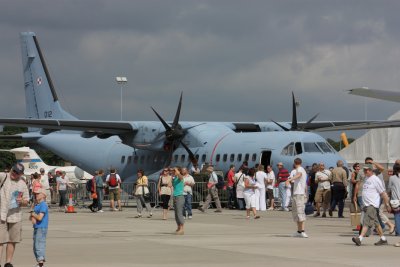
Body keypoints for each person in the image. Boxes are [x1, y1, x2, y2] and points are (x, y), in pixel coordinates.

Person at [352, 164, 392, 246]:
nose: (366, 171)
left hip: (372, 205)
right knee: (376, 224)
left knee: (366, 222)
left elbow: (383, 193)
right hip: (367, 205)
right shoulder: (367, 178)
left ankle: (359, 238)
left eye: (368, 170)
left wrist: (387, 204)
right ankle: (383, 239)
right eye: (365, 170)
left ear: (371, 170)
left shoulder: (375, 179)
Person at [0, 163, 30, 267]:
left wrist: (22, 201)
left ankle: (8, 263)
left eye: (17, 172)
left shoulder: (22, 184)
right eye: (14, 171)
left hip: (15, 215)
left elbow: (27, 201)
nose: (14, 173)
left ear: (21, 174)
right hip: (1, 214)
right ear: (11, 169)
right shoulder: (3, 176)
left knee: (12, 240)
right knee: (0, 240)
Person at [364, 157, 395, 233]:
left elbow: (382, 168)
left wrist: (373, 163)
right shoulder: (367, 172)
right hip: (373, 196)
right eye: (367, 163)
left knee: (379, 212)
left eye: (369, 163)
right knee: (375, 213)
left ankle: (390, 225)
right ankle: (381, 227)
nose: (368, 164)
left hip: (380, 195)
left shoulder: (376, 171)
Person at [286, 158, 308, 238]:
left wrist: (289, 180)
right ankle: (299, 231)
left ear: (295, 163)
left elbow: (299, 175)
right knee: (296, 212)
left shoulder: (300, 169)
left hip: (299, 194)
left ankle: (302, 231)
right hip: (297, 193)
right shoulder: (300, 169)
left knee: (300, 212)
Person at [30, 188, 49, 267]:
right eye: (35, 194)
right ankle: (39, 261)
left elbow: (40, 218)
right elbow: (32, 218)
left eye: (38, 194)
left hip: (41, 227)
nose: (36, 195)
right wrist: (32, 213)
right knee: (35, 246)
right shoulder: (37, 205)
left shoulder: (43, 205)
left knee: (39, 245)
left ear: (43, 195)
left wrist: (32, 213)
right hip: (36, 227)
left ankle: (41, 263)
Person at [388, 164, 400, 241]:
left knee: (397, 216)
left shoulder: (392, 178)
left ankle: (398, 232)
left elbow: (389, 189)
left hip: (395, 200)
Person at [172, 167, 185, 235]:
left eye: (175, 171)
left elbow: (181, 177)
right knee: (176, 214)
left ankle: (182, 228)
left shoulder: (180, 177)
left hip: (180, 197)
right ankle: (178, 227)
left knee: (179, 213)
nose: (174, 171)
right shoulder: (174, 178)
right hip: (175, 196)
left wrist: (177, 171)